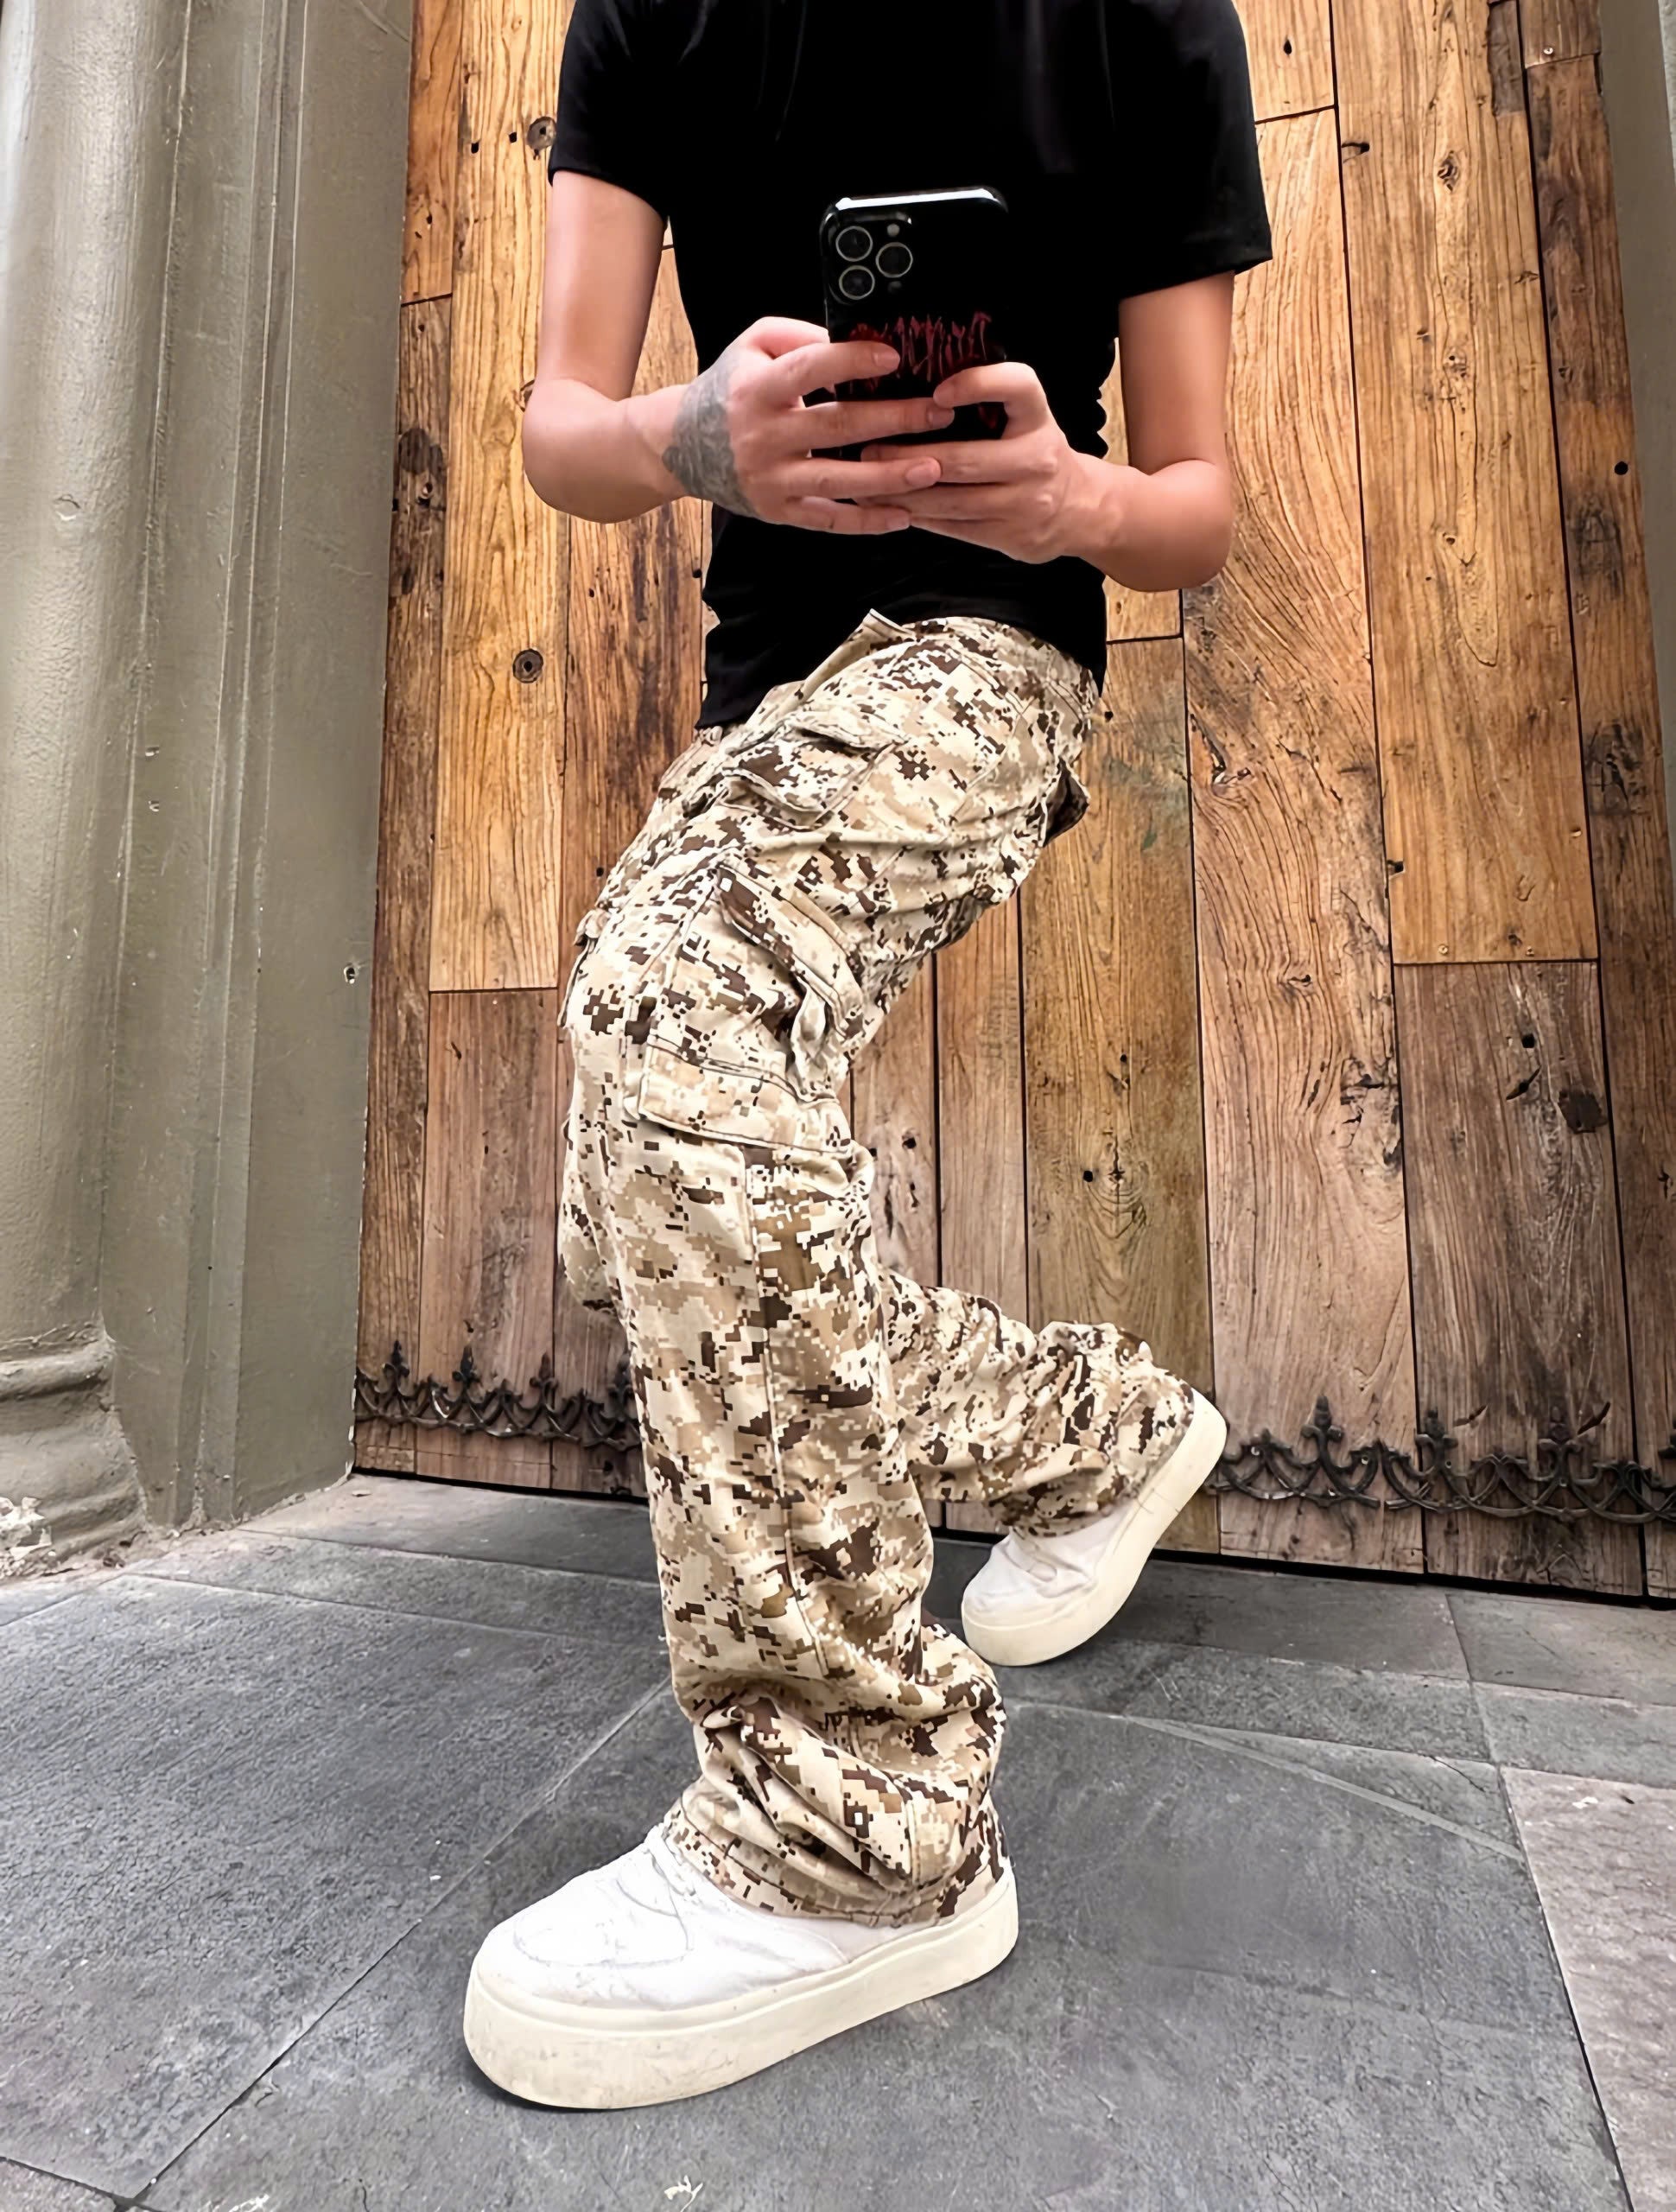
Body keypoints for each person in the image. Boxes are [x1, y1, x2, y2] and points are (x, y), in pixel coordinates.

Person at [462, 0, 1272, 2109]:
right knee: (650, 1214)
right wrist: (691, 445)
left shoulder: (1145, 22)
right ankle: (1094, 1428)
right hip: (768, 687)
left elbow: (1194, 505)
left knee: (680, 1009)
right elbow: (560, 424)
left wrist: (1068, 494)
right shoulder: (650, 16)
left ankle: (860, 1828)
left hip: (992, 652)